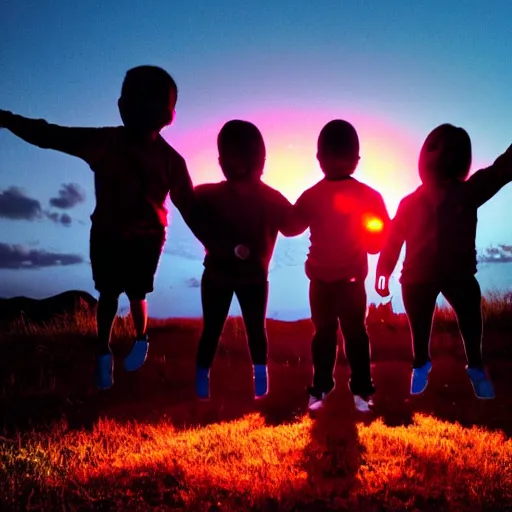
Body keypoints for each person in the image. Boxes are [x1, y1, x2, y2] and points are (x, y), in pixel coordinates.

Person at [0, 65, 198, 391]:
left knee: (132, 293)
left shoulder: (161, 158)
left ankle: (138, 339)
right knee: (114, 293)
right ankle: (106, 349)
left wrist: (219, 243)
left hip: (140, 238)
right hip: (113, 234)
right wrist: (8, 120)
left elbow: (191, 208)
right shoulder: (111, 143)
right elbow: (50, 135)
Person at [375, 123, 512, 399]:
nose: (440, 155)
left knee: (470, 316)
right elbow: (392, 240)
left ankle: (475, 367)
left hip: (458, 274)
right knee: (420, 325)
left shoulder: (468, 192)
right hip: (416, 277)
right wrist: (383, 271)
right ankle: (421, 364)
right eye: (434, 147)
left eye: (451, 149)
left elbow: (501, 171)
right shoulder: (409, 203)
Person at [192, 119, 303, 400]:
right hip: (229, 276)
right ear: (261, 159)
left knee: (247, 330)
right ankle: (213, 382)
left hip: (244, 277)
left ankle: (252, 382)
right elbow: (293, 226)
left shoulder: (211, 195)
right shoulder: (212, 195)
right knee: (226, 329)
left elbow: (292, 226)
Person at [293, 120, 390, 412]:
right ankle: (359, 391)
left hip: (324, 282)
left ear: (318, 158)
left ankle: (322, 389)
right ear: (356, 160)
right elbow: (377, 241)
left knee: (326, 335)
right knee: (354, 335)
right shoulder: (370, 196)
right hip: (347, 282)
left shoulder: (311, 195)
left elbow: (291, 225)